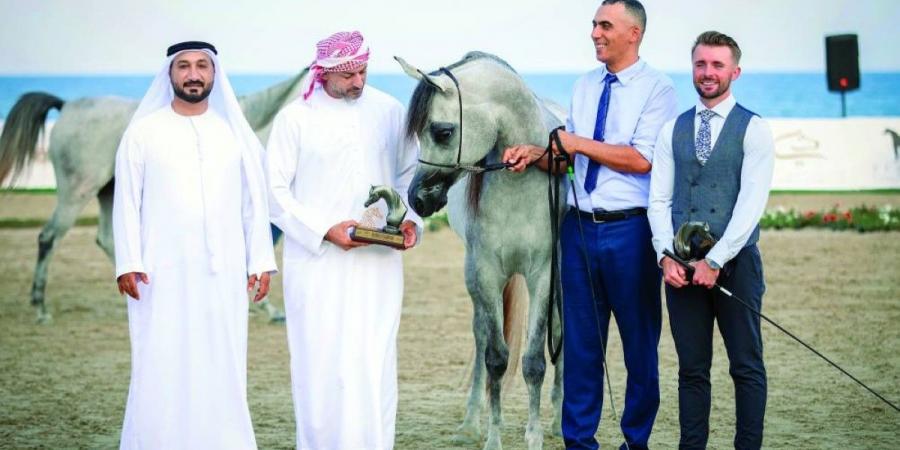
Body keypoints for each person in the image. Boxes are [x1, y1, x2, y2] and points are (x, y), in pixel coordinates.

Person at [504, 1, 677, 448]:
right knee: (580, 349)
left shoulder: (658, 89)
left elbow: (641, 160)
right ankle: (579, 443)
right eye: (594, 25)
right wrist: (537, 155)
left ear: (633, 33)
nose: (595, 33)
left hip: (632, 233)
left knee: (640, 349)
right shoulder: (583, 86)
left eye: (606, 25)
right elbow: (570, 156)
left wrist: (575, 140)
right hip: (578, 230)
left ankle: (633, 442)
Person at [112, 41, 276, 449]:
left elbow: (253, 204)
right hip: (159, 273)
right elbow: (126, 203)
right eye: (183, 66)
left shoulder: (231, 133)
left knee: (222, 360)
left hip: (223, 272)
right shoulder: (143, 133)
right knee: (160, 360)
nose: (193, 74)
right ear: (169, 75)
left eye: (202, 65)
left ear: (214, 74)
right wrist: (128, 262)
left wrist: (260, 261)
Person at [266, 31, 422, 450]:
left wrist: (410, 222)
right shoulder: (294, 119)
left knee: (375, 363)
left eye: (363, 72)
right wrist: (324, 230)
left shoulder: (391, 110)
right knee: (320, 365)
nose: (358, 82)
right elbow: (274, 193)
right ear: (324, 73)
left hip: (379, 263)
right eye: (348, 74)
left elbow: (410, 178)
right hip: (316, 265)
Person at [647, 30, 774, 449]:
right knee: (692, 370)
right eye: (701, 64)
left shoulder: (753, 129)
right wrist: (666, 256)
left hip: (736, 266)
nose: (708, 72)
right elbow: (659, 200)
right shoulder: (672, 130)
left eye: (717, 65)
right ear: (692, 69)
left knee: (746, 365)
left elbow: (750, 206)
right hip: (680, 269)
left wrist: (715, 260)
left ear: (734, 71)